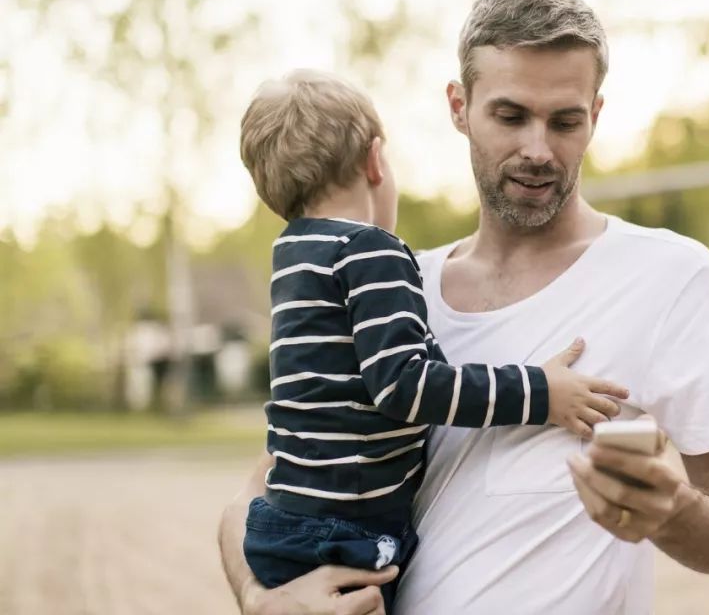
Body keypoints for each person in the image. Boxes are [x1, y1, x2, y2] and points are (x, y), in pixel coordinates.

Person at [219, 0, 709, 615]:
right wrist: (262, 598)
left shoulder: (672, 277)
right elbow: (256, 496)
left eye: (565, 121)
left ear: (596, 113)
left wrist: (671, 511)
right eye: (510, 116)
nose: (538, 149)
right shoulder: (390, 287)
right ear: (460, 107)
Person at [233, 69, 628, 610]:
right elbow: (404, 386)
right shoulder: (372, 251)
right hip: (347, 532)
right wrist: (539, 393)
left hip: (285, 523)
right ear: (375, 161)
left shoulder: (293, 257)